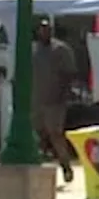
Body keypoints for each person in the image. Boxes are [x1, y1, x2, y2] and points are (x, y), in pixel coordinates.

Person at [31, 18, 77, 183]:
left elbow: (69, 75)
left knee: (56, 135)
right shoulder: (32, 50)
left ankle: (66, 166)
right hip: (35, 101)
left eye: (47, 29)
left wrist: (62, 94)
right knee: (38, 135)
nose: (44, 32)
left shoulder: (61, 50)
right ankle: (39, 170)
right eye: (41, 29)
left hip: (54, 101)